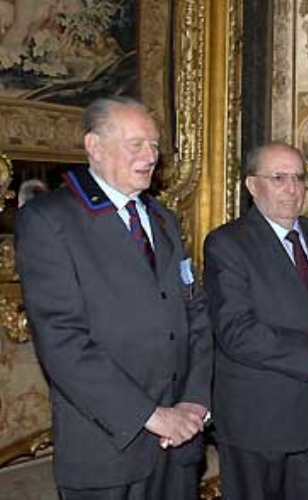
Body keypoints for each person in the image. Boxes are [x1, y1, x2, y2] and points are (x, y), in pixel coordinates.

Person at [14, 96, 213, 499]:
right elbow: (63, 341)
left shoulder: (163, 219)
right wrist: (151, 416)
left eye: (154, 145)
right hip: (108, 449)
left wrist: (194, 403)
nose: (151, 156)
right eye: (136, 144)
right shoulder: (49, 220)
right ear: (95, 146)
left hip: (179, 442)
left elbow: (195, 315)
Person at [203, 142, 308, 500]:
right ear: (252, 186)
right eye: (279, 178)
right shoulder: (227, 243)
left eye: (299, 178)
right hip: (260, 421)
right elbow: (235, 331)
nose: (292, 188)